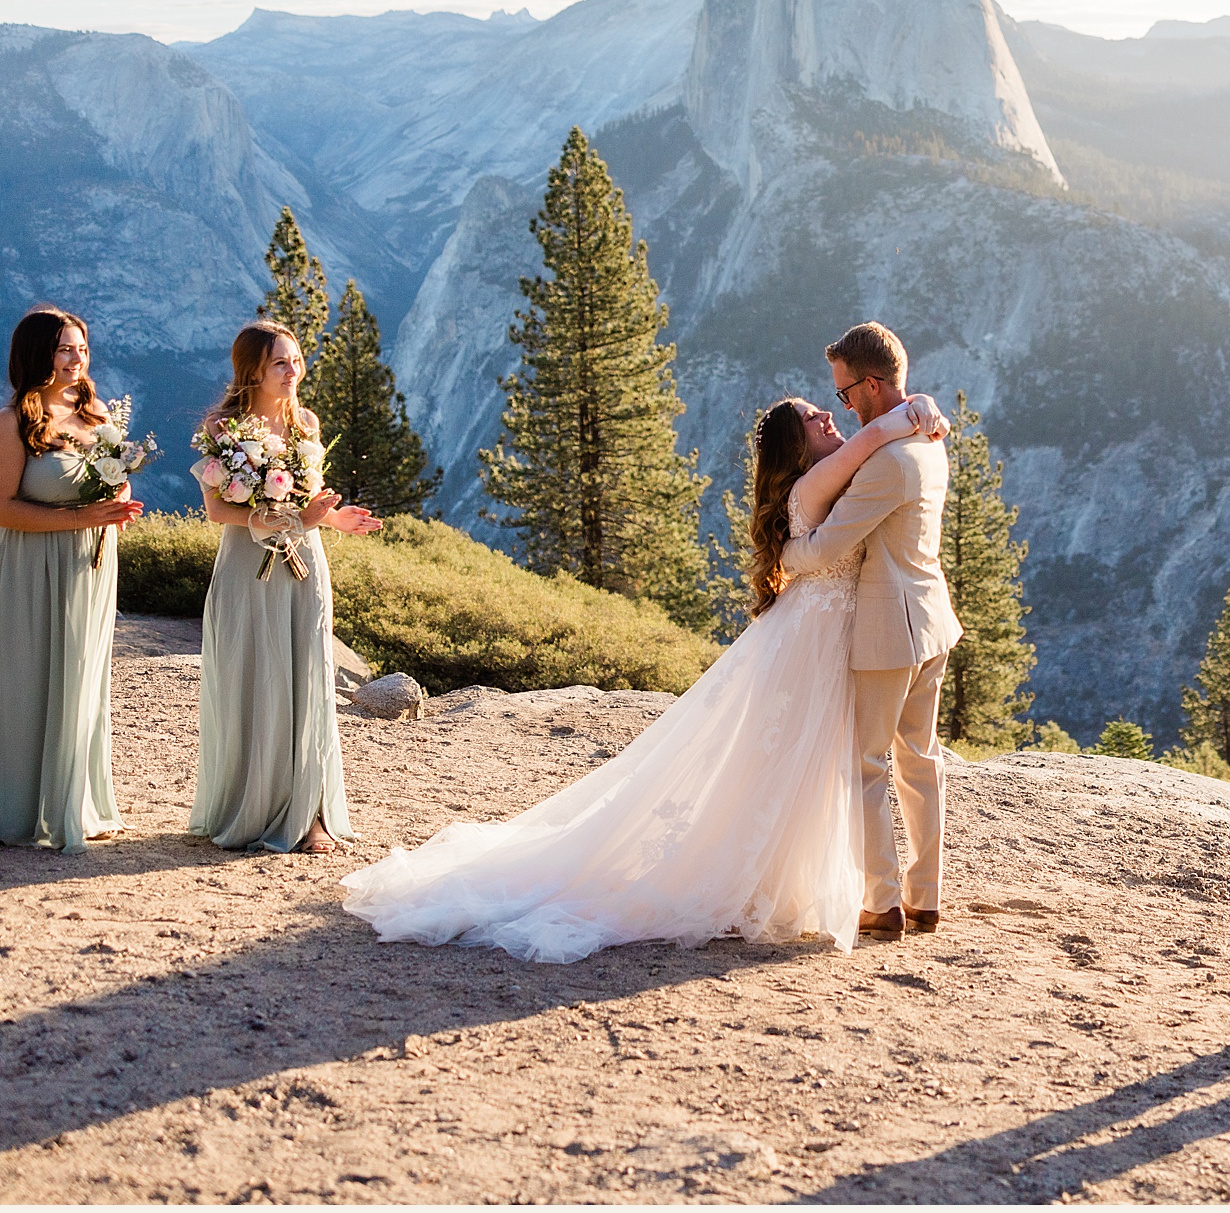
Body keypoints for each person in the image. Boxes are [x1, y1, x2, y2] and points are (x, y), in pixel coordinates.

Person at [339, 386, 947, 962]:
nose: (829, 419)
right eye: (816, 418)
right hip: (818, 635)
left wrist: (916, 408)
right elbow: (840, 503)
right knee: (801, 756)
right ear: (796, 450)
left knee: (802, 759)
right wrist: (908, 413)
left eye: (830, 408)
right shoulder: (818, 480)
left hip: (829, 633)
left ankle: (810, 883)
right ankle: (813, 887)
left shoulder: (822, 473)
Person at [779, 323, 965, 940]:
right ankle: (927, 896)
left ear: (875, 384)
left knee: (865, 764)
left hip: (889, 629)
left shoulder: (885, 462)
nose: (845, 405)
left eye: (847, 392)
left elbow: (830, 546)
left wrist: (783, 557)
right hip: (934, 620)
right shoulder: (928, 439)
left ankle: (882, 901)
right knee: (921, 759)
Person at [0, 307, 143, 853]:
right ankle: (16, 810)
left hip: (90, 566)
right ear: (37, 355)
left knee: (80, 679)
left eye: (81, 348)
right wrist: (79, 517)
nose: (77, 359)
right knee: (25, 677)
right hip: (29, 567)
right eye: (64, 349)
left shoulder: (100, 416)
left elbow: (117, 481)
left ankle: (76, 803)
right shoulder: (8, 424)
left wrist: (117, 503)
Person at [190, 321, 382, 855]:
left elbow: (314, 500)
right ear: (251, 370)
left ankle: (310, 814)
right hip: (247, 566)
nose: (293, 371)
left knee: (306, 679)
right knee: (252, 677)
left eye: (296, 360)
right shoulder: (223, 429)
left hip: (304, 567)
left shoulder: (307, 424)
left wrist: (336, 520)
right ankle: (247, 807)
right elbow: (215, 510)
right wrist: (286, 517)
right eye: (280, 363)